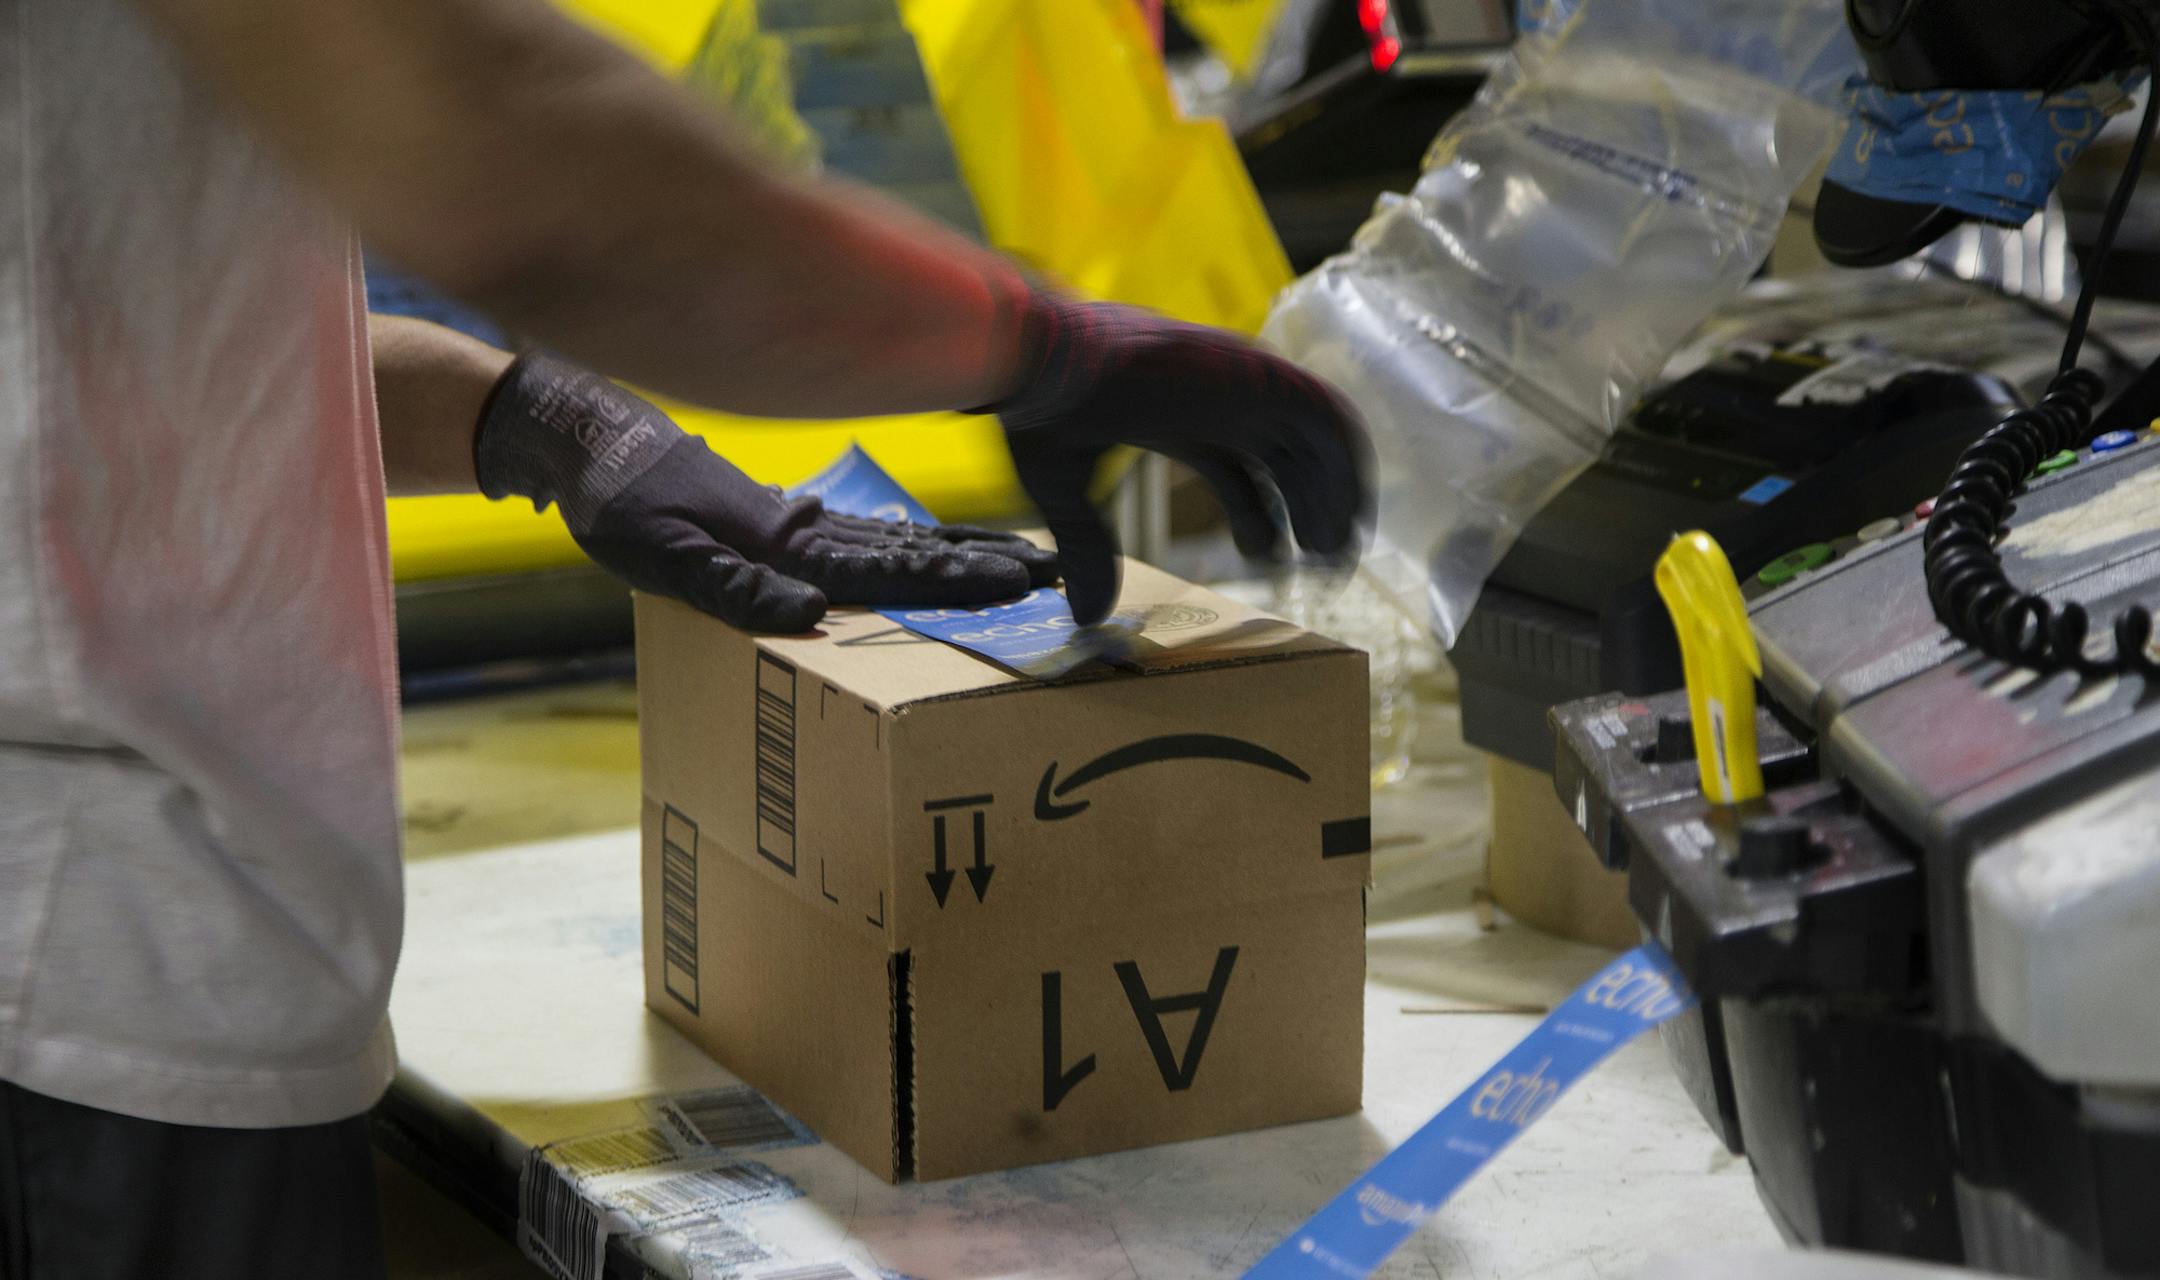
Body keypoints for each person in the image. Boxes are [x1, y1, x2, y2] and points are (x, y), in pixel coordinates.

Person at [0, 0, 1370, 1275]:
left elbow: (118, 326)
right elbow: (500, 144)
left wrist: (532, 420)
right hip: (88, 990)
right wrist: (1030, 340)